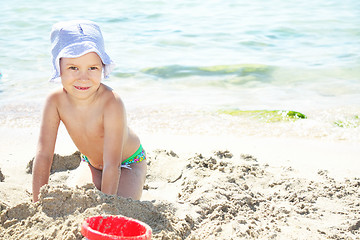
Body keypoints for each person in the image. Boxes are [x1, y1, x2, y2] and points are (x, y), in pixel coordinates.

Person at [32, 20, 147, 202]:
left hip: (127, 163)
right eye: (73, 68)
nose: (83, 78)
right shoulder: (55, 102)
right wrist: (37, 204)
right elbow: (44, 156)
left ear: (102, 66)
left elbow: (112, 164)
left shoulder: (111, 102)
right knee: (78, 204)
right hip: (91, 162)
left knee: (123, 210)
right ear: (58, 67)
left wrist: (106, 207)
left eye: (92, 68)